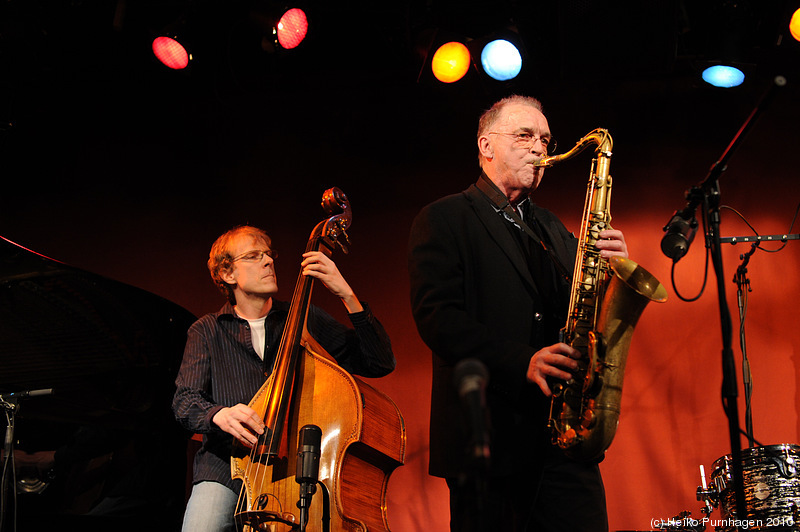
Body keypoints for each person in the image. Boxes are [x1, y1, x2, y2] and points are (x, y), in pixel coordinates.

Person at [407, 95, 628, 531]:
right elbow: (438, 318)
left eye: (545, 139)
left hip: (563, 442)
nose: (540, 149)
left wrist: (614, 274)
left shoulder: (554, 228)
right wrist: (521, 360)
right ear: (486, 146)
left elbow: (586, 314)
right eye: (525, 136)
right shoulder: (444, 218)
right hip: (488, 444)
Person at [173, 225, 396, 532]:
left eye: (268, 254)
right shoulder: (207, 330)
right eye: (253, 256)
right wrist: (220, 414)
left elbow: (378, 362)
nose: (268, 262)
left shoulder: (304, 317)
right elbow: (185, 401)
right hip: (224, 467)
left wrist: (346, 294)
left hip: (294, 474)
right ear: (227, 274)